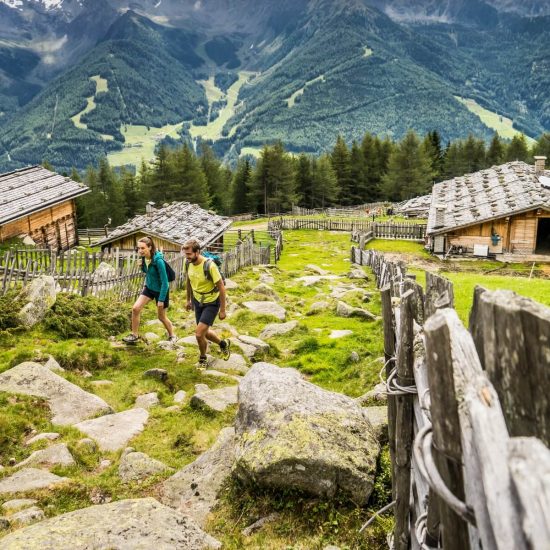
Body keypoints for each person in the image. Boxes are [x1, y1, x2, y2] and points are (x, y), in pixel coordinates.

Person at [182, 238, 230, 368]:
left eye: (189, 254)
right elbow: (189, 281)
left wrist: (223, 310)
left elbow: (221, 287)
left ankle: (203, 358)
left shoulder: (209, 265)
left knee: (198, 334)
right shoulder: (188, 263)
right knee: (204, 332)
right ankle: (223, 344)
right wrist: (188, 300)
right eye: (185, 254)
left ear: (197, 252)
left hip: (212, 302)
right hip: (198, 301)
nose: (187, 257)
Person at [122, 236, 176, 344]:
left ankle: (172, 335)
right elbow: (149, 273)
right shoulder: (143, 258)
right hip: (149, 288)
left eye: (143, 248)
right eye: (138, 248)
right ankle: (134, 335)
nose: (140, 251)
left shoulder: (158, 261)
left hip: (161, 291)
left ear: (150, 247)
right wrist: (142, 267)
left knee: (161, 317)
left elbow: (165, 283)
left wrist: (161, 300)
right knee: (135, 309)